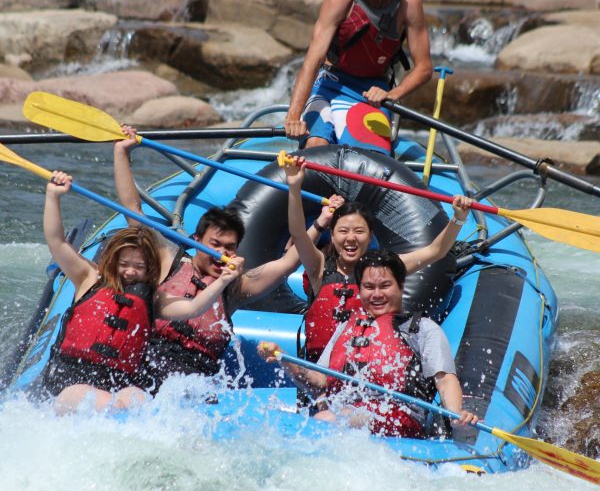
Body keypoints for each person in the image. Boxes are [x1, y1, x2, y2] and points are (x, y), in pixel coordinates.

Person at [114, 129, 344, 393]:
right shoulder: (168, 260)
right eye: (215, 245)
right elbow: (133, 211)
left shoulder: (235, 287)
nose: (222, 254)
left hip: (193, 387)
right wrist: (122, 152)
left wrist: (319, 219)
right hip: (145, 372)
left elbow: (289, 262)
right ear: (197, 239)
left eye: (229, 248)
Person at [42, 171, 244, 414]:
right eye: (124, 264)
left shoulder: (152, 299)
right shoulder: (88, 277)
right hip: (71, 379)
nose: (129, 273)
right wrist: (53, 196)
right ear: (112, 260)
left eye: (138, 267)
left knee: (137, 399)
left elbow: (194, 307)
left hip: (117, 383)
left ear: (150, 269)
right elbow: (56, 242)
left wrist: (223, 281)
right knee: (99, 400)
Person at [258, 249, 479, 438]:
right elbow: (319, 380)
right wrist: (283, 358)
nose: (376, 294)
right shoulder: (348, 328)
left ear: (401, 286)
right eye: (369, 287)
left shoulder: (421, 328)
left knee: (327, 418)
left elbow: (445, 379)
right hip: (344, 414)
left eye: (385, 286)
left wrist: (456, 412)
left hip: (399, 419)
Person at [283, 157, 472, 362]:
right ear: (333, 234)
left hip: (366, 372)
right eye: (343, 231)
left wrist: (458, 218)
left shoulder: (384, 268)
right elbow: (298, 233)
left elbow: (436, 251)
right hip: (319, 372)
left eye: (359, 231)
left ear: (370, 235)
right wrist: (295, 186)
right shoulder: (318, 266)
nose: (351, 238)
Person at [284, 0, 433, 153]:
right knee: (316, 147)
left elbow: (424, 67)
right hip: (329, 85)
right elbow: (312, 61)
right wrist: (293, 116)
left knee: (369, 159)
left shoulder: (408, 2)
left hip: (372, 94)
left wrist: (391, 95)